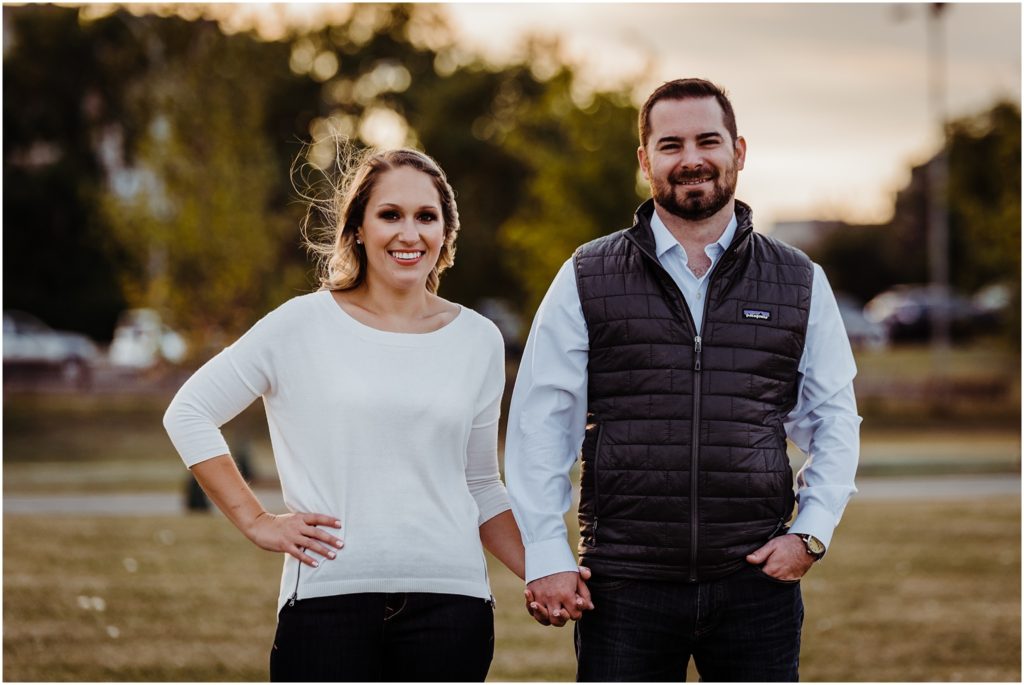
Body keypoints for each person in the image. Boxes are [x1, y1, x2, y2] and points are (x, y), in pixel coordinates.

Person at [163, 147, 588, 682]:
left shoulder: (478, 339)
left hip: (452, 609)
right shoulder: (300, 324)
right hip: (327, 605)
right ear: (358, 228)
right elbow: (190, 411)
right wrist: (256, 520)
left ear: (445, 232)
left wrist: (545, 572)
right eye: (390, 215)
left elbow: (479, 483)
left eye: (425, 217)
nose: (409, 234)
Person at [506, 78, 861, 681]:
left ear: (738, 152)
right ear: (645, 160)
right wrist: (545, 552)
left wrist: (810, 532)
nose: (691, 159)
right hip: (623, 586)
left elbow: (833, 418)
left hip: (754, 584)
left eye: (708, 141)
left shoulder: (799, 279)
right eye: (671, 145)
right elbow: (543, 422)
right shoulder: (586, 274)